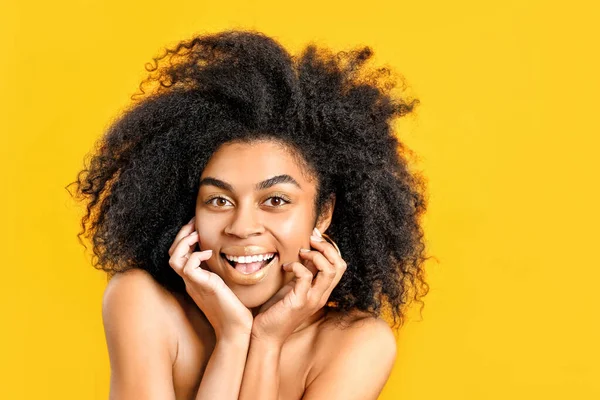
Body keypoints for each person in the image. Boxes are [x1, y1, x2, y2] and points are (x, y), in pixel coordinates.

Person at [67, 28, 430, 400]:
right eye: (219, 201)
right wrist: (232, 338)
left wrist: (266, 340)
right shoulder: (142, 302)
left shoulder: (357, 344)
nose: (242, 228)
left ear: (323, 213)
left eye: (275, 200)